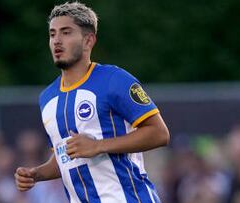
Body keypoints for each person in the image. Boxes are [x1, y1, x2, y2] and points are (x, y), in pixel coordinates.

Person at [14, 2, 170, 202]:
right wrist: (37, 174)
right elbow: (66, 157)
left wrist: (99, 146)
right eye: (52, 34)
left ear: (88, 41)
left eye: (66, 32)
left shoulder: (114, 80)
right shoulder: (47, 98)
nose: (57, 41)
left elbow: (159, 133)